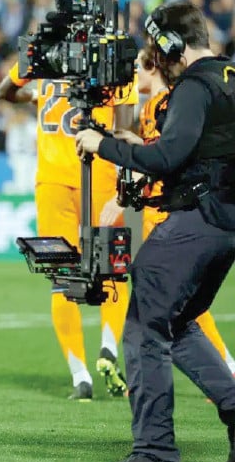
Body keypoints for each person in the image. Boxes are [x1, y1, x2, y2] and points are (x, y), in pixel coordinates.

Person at [76, 2, 235, 462]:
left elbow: (170, 158)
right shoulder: (229, 77)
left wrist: (102, 145)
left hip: (197, 220)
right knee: (179, 321)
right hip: (226, 223)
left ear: (172, 46)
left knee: (145, 325)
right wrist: (140, 147)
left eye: (159, 50)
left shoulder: (193, 86)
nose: (158, 60)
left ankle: (155, 452)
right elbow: (195, 150)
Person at [0, 54, 135, 400]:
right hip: (99, 177)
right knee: (113, 272)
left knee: (61, 279)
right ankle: (108, 348)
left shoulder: (42, 56)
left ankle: (80, 376)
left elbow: (5, 91)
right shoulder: (110, 63)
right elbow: (125, 128)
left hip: (52, 182)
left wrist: (36, 95)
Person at [100, 45, 235, 377]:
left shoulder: (164, 105)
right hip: (161, 210)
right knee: (170, 302)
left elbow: (163, 160)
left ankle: (224, 369)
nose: (132, 76)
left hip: (169, 213)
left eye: (137, 69)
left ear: (152, 69)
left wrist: (119, 199)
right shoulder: (153, 107)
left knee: (176, 305)